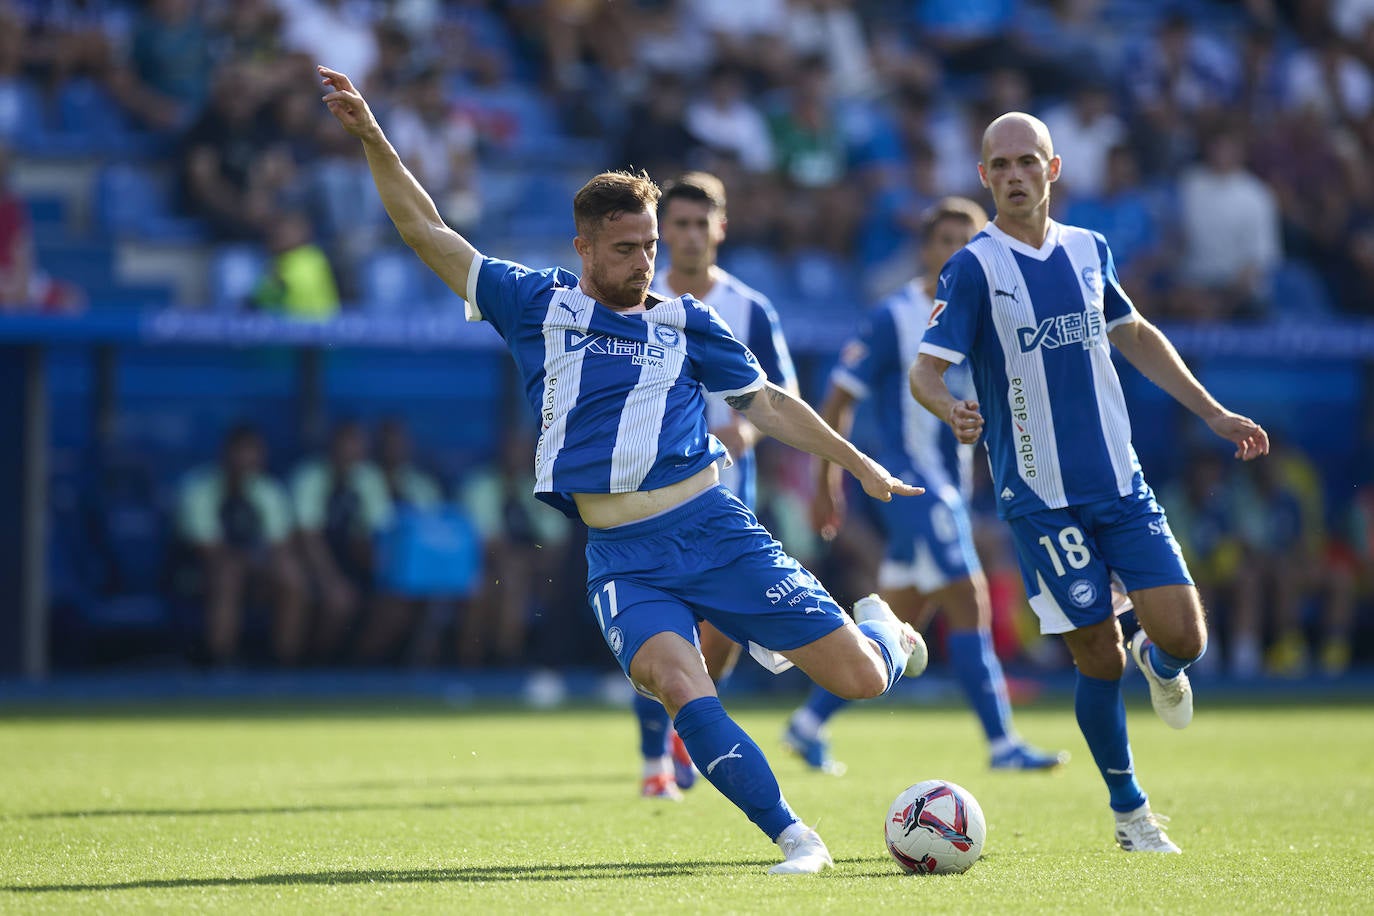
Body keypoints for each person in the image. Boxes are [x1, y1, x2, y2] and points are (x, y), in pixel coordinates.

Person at [319, 64, 926, 875]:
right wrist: (372, 136)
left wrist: (856, 463)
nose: (646, 261)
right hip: (621, 557)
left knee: (859, 679)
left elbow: (770, 404)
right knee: (681, 682)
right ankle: (795, 838)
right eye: (627, 248)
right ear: (584, 247)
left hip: (714, 531)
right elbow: (427, 232)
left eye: (650, 246)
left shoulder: (687, 322)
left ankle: (885, 629)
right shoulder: (536, 304)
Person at [909, 112, 1270, 854]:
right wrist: (951, 407)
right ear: (983, 177)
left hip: (1121, 482)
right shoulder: (973, 268)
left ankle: (1159, 660)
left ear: (1053, 168)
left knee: (1186, 639)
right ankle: (1131, 813)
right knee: (1096, 656)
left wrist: (1212, 411)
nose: (1014, 176)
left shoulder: (1087, 250)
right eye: (1000, 165)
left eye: (1027, 162)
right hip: (1041, 499)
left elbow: (1133, 333)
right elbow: (925, 370)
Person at [792, 196, 1066, 774]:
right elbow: (837, 399)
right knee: (969, 602)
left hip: (951, 485)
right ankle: (1002, 744)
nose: (955, 255)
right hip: (914, 485)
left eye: (968, 245)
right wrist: (827, 482)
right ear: (925, 249)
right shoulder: (894, 316)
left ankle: (807, 722)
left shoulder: (982, 316)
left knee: (897, 621)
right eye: (945, 242)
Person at [634, 170, 800, 801]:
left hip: (730, 491)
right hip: (654, 496)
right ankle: (657, 757)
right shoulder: (638, 301)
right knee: (662, 624)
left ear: (721, 228)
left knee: (721, 630)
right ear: (662, 231)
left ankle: (684, 739)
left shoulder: (749, 308)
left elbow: (779, 399)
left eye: (701, 223)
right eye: (678, 223)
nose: (690, 235)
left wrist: (743, 436)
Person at [176, 423, 307, 667]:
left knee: (291, 576)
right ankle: (220, 660)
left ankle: (283, 661)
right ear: (225, 453)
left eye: (252, 452)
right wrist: (251, 562)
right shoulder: (200, 489)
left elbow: (280, 546)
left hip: (256, 571)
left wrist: (260, 567)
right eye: (239, 452)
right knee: (228, 574)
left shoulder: (269, 491)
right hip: (199, 574)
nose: (244, 460)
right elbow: (207, 550)